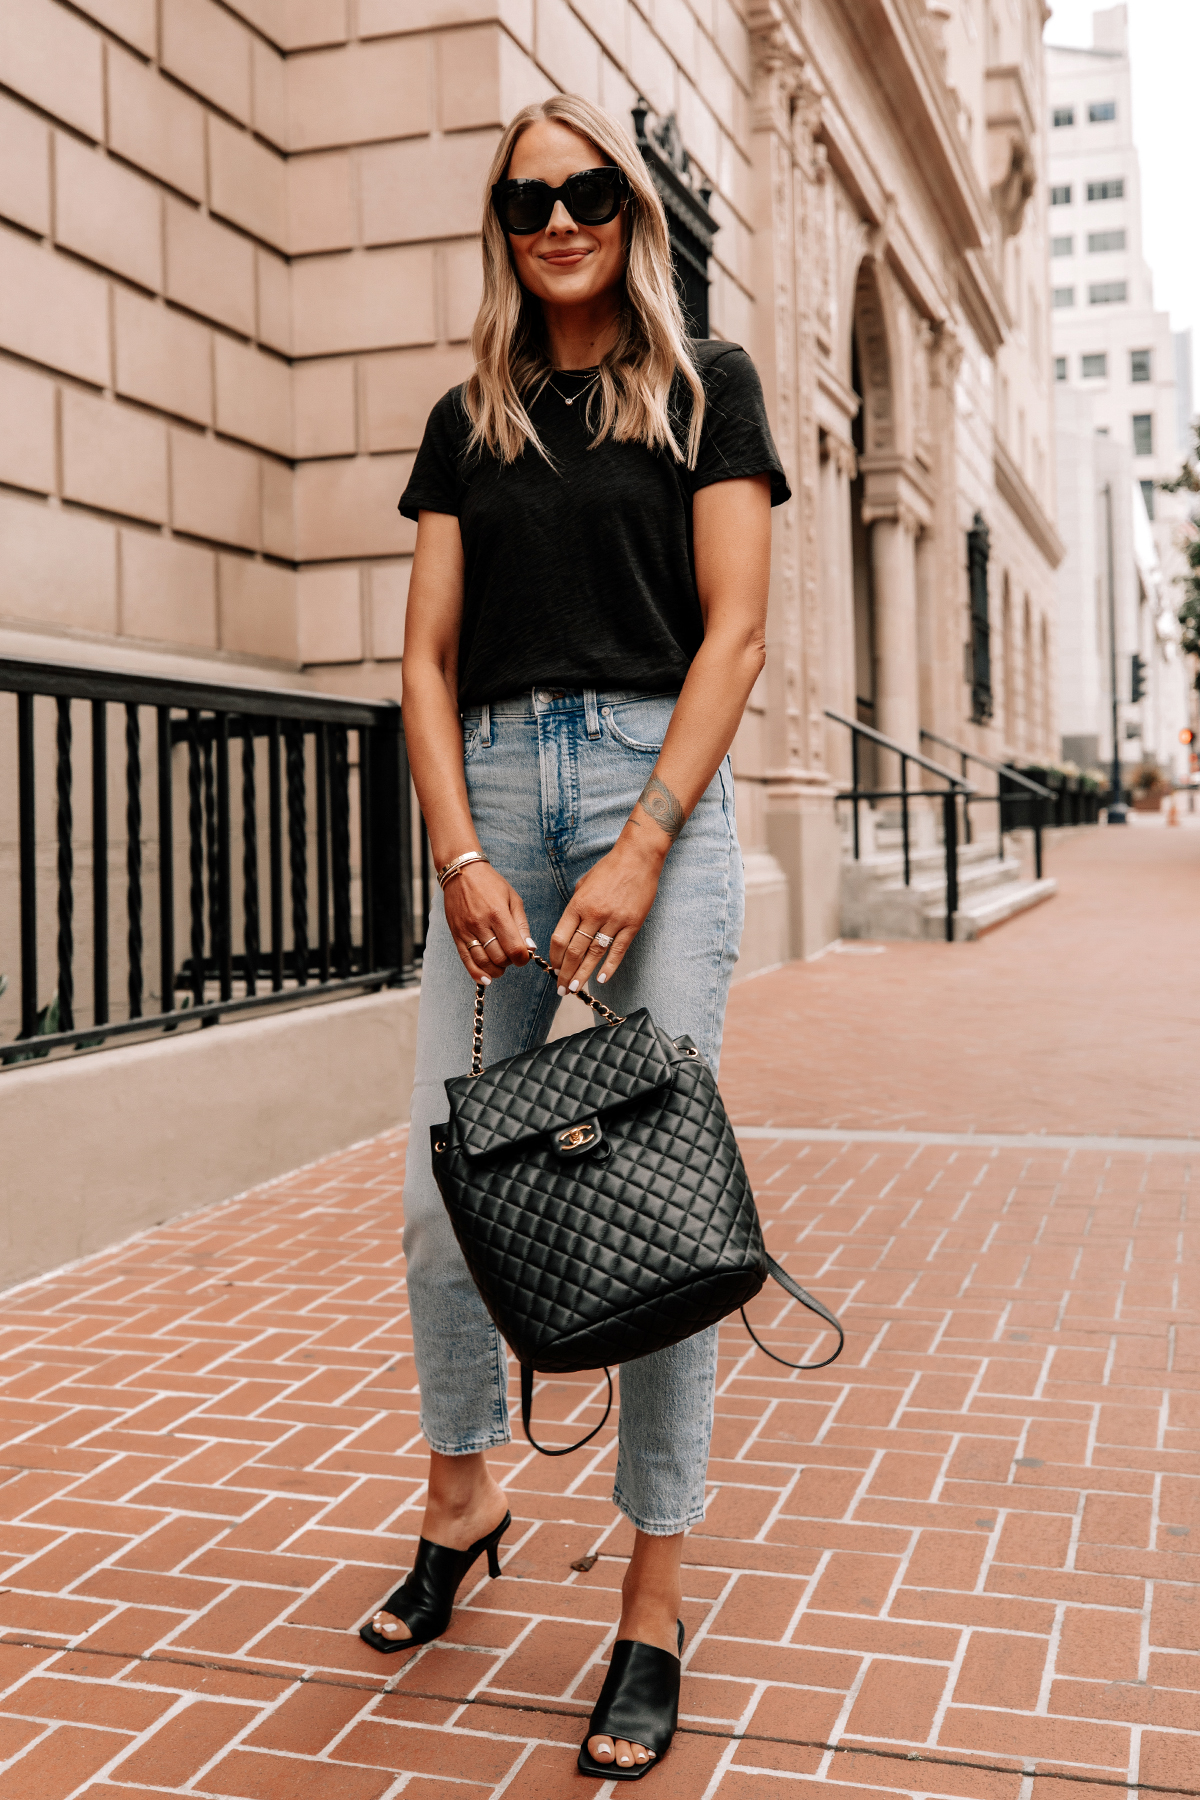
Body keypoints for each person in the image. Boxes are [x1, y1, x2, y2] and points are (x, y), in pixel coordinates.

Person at [359, 92, 789, 1780]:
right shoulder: (469, 416)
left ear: (630, 210)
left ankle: (653, 1595)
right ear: (502, 221)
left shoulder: (707, 388)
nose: (558, 220)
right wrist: (460, 851)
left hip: (649, 799)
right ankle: (463, 1489)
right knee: (434, 1192)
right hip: (494, 811)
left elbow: (737, 636)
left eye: (588, 193)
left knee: (649, 1218)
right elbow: (420, 660)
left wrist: (643, 843)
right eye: (529, 199)